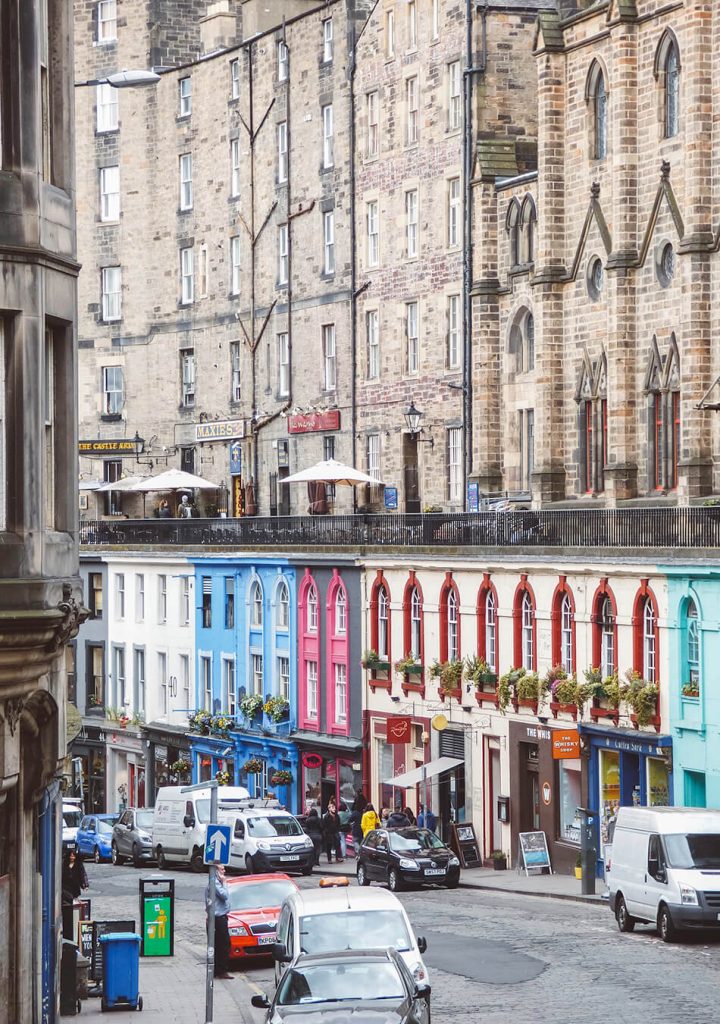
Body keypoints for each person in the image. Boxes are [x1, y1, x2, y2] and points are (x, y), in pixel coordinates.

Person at [206, 865, 233, 979]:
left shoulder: (214, 882)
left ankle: (218, 970)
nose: (224, 871)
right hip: (218, 918)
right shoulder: (216, 883)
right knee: (224, 944)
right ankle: (221, 970)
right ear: (216, 872)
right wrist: (224, 882)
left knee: (219, 944)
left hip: (218, 917)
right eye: (222, 869)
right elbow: (225, 895)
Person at [322, 798, 343, 863]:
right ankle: (329, 859)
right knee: (329, 846)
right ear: (329, 809)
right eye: (332, 808)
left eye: (334, 808)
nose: (334, 809)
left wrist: (338, 830)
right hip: (329, 833)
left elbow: (339, 824)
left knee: (337, 845)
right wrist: (326, 832)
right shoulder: (326, 816)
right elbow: (324, 825)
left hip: (335, 832)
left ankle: (338, 858)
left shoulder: (337, 816)